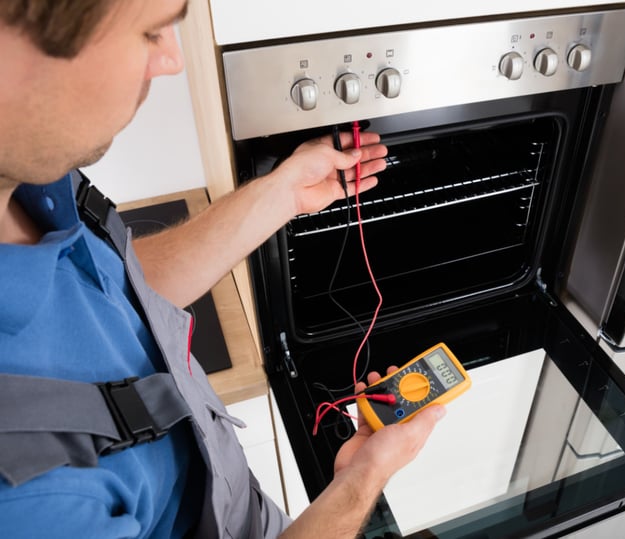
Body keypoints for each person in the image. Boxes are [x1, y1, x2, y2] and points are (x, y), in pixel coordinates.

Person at [0, 1, 446, 538]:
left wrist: (282, 193)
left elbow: (113, 292)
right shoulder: (26, 505)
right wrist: (363, 479)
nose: (173, 59)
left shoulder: (28, 180)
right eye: (150, 32)